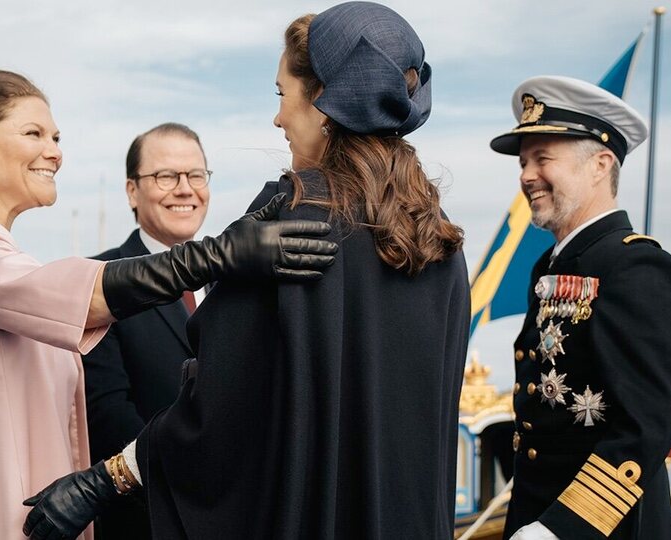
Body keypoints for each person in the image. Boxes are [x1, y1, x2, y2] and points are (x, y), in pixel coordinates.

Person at [23, 3, 470, 539]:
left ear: (324, 102)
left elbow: (219, 411)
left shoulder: (287, 222)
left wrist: (104, 479)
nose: (278, 118)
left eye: (283, 95)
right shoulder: (436, 232)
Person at [0, 69, 337, 540]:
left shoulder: (0, 259)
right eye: (34, 133)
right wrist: (219, 253)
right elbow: (85, 297)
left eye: (56, 136)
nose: (55, 151)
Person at [488, 76, 671, 539]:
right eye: (523, 162)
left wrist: (563, 528)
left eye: (543, 158)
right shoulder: (550, 265)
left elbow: (646, 423)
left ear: (601, 164)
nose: (526, 175)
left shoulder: (636, 266)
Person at [82, 122, 211, 540]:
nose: (185, 189)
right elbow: (107, 414)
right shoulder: (99, 281)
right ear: (132, 191)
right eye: (165, 176)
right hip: (145, 518)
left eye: (195, 175)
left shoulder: (234, 283)